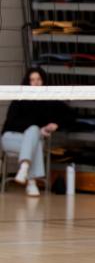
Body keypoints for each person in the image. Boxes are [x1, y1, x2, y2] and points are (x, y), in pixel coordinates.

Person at [2, 67, 73, 196]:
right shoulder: (19, 98)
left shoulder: (49, 101)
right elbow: (11, 123)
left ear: (43, 81)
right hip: (11, 138)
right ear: (28, 82)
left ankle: (24, 168)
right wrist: (38, 129)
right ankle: (31, 182)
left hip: (31, 141)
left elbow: (69, 115)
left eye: (39, 79)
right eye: (32, 80)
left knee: (35, 137)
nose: (36, 82)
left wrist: (56, 124)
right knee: (35, 136)